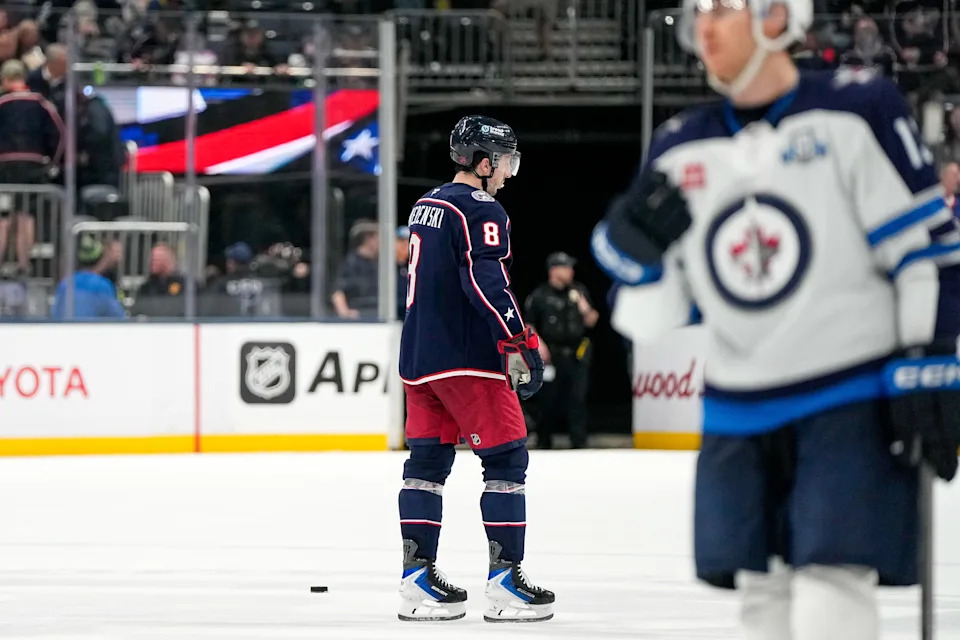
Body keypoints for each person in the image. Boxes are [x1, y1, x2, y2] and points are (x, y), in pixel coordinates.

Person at [591, 0, 960, 638]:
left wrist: (932, 355)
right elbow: (651, 322)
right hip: (737, 408)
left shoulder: (856, 108)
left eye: (722, 11)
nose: (703, 28)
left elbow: (927, 251)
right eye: (695, 14)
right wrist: (637, 261)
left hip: (847, 396)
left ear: (775, 18)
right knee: (762, 594)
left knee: (832, 581)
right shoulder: (680, 146)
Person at [396, 115, 554, 623]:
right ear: (483, 163)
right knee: (507, 463)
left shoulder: (427, 205)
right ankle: (507, 583)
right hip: (468, 360)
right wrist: (519, 339)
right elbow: (487, 281)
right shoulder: (481, 207)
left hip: (419, 358)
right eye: (505, 159)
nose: (509, 170)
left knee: (425, 467)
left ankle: (417, 581)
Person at [523, 251, 598, 449]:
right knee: (547, 400)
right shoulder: (540, 295)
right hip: (551, 355)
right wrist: (539, 345)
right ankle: (544, 441)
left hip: (577, 353)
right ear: (554, 270)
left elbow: (592, 320)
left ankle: (579, 442)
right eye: (566, 268)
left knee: (578, 399)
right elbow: (528, 324)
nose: (571, 271)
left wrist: (584, 307)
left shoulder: (578, 291)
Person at [51, 235, 125, 319]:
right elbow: (118, 318)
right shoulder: (102, 285)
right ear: (102, 257)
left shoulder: (65, 283)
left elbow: (56, 313)